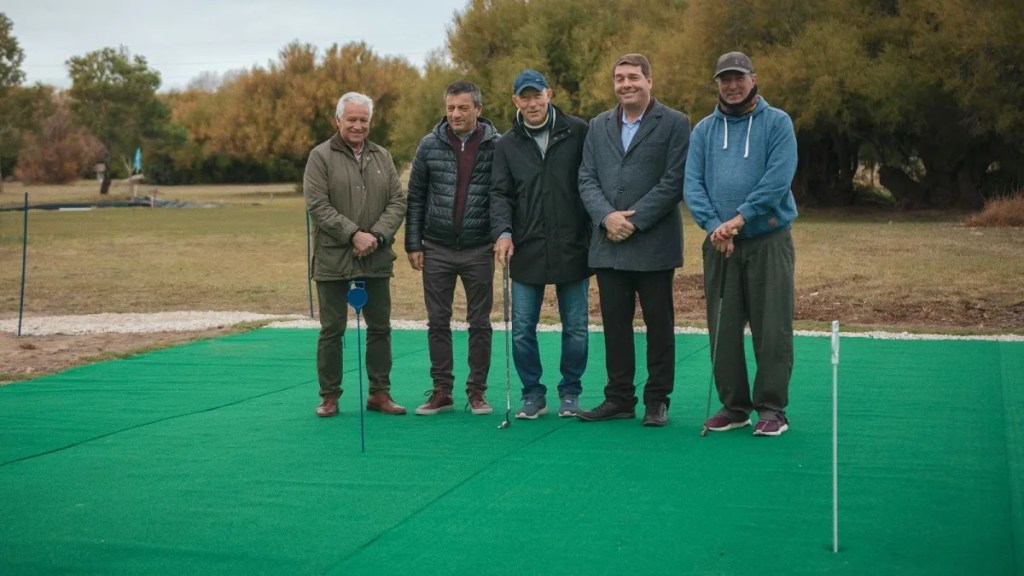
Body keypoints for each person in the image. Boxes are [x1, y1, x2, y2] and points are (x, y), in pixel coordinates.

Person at [683, 51, 799, 436]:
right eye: (725, 79)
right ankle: (734, 407)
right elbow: (692, 185)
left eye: (739, 78)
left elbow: (777, 180)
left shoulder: (777, 123)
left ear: (753, 78)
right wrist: (715, 227)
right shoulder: (704, 130)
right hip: (720, 243)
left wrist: (740, 218)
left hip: (767, 239)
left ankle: (772, 409)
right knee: (724, 328)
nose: (732, 86)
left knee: (772, 328)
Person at [576, 53, 690, 427]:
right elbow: (586, 178)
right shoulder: (598, 126)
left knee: (659, 326)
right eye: (620, 78)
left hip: (654, 245)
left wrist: (633, 221)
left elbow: (674, 181)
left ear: (649, 81)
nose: (626, 84)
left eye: (633, 77)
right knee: (615, 326)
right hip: (608, 243)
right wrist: (606, 217)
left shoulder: (674, 123)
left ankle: (657, 400)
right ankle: (619, 398)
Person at [490, 69, 592, 419]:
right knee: (522, 330)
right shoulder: (506, 144)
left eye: (537, 95)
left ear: (550, 94)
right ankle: (533, 393)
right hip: (526, 247)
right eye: (525, 97)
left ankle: (570, 391)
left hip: (572, 244)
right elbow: (500, 194)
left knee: (576, 327)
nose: (532, 103)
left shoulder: (578, 131)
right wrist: (503, 232)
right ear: (515, 101)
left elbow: (591, 181)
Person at [304, 91, 408, 418]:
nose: (358, 125)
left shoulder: (383, 156)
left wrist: (376, 236)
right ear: (338, 120)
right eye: (352, 119)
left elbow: (397, 202)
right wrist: (353, 234)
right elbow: (317, 205)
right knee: (332, 330)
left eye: (364, 119)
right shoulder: (320, 156)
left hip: (376, 256)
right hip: (333, 259)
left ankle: (379, 393)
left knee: (380, 328)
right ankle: (329, 397)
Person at [406, 81, 501, 416]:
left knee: (480, 323)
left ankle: (477, 392)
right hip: (436, 247)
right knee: (437, 321)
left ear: (478, 109)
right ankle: (442, 391)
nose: (456, 114)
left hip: (479, 248)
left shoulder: (498, 145)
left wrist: (502, 235)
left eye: (463, 108)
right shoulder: (428, 145)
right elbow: (416, 197)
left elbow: (504, 195)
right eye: (450, 108)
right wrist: (413, 243)